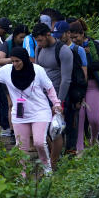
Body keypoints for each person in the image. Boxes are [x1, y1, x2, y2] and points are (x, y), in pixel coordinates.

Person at [0, 47, 62, 174]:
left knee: (39, 142)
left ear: (24, 59)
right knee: (21, 147)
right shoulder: (7, 71)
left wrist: (56, 103)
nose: (15, 64)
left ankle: (47, 171)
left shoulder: (37, 70)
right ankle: (22, 175)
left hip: (40, 111)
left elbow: (50, 88)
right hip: (20, 113)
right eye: (12, 61)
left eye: (17, 61)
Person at [32, 21, 74, 165]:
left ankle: (54, 163)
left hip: (57, 95)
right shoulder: (39, 49)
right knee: (41, 128)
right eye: (36, 40)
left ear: (48, 35)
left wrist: (59, 102)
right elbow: (37, 71)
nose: (38, 43)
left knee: (55, 130)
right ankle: (51, 156)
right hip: (40, 96)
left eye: (40, 40)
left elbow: (66, 79)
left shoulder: (63, 51)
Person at [69, 20, 99, 154]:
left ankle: (94, 138)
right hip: (78, 86)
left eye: (76, 37)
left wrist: (87, 66)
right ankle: (79, 149)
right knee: (80, 117)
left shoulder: (94, 46)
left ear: (82, 34)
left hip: (94, 85)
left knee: (94, 118)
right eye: (71, 38)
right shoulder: (71, 48)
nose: (74, 40)